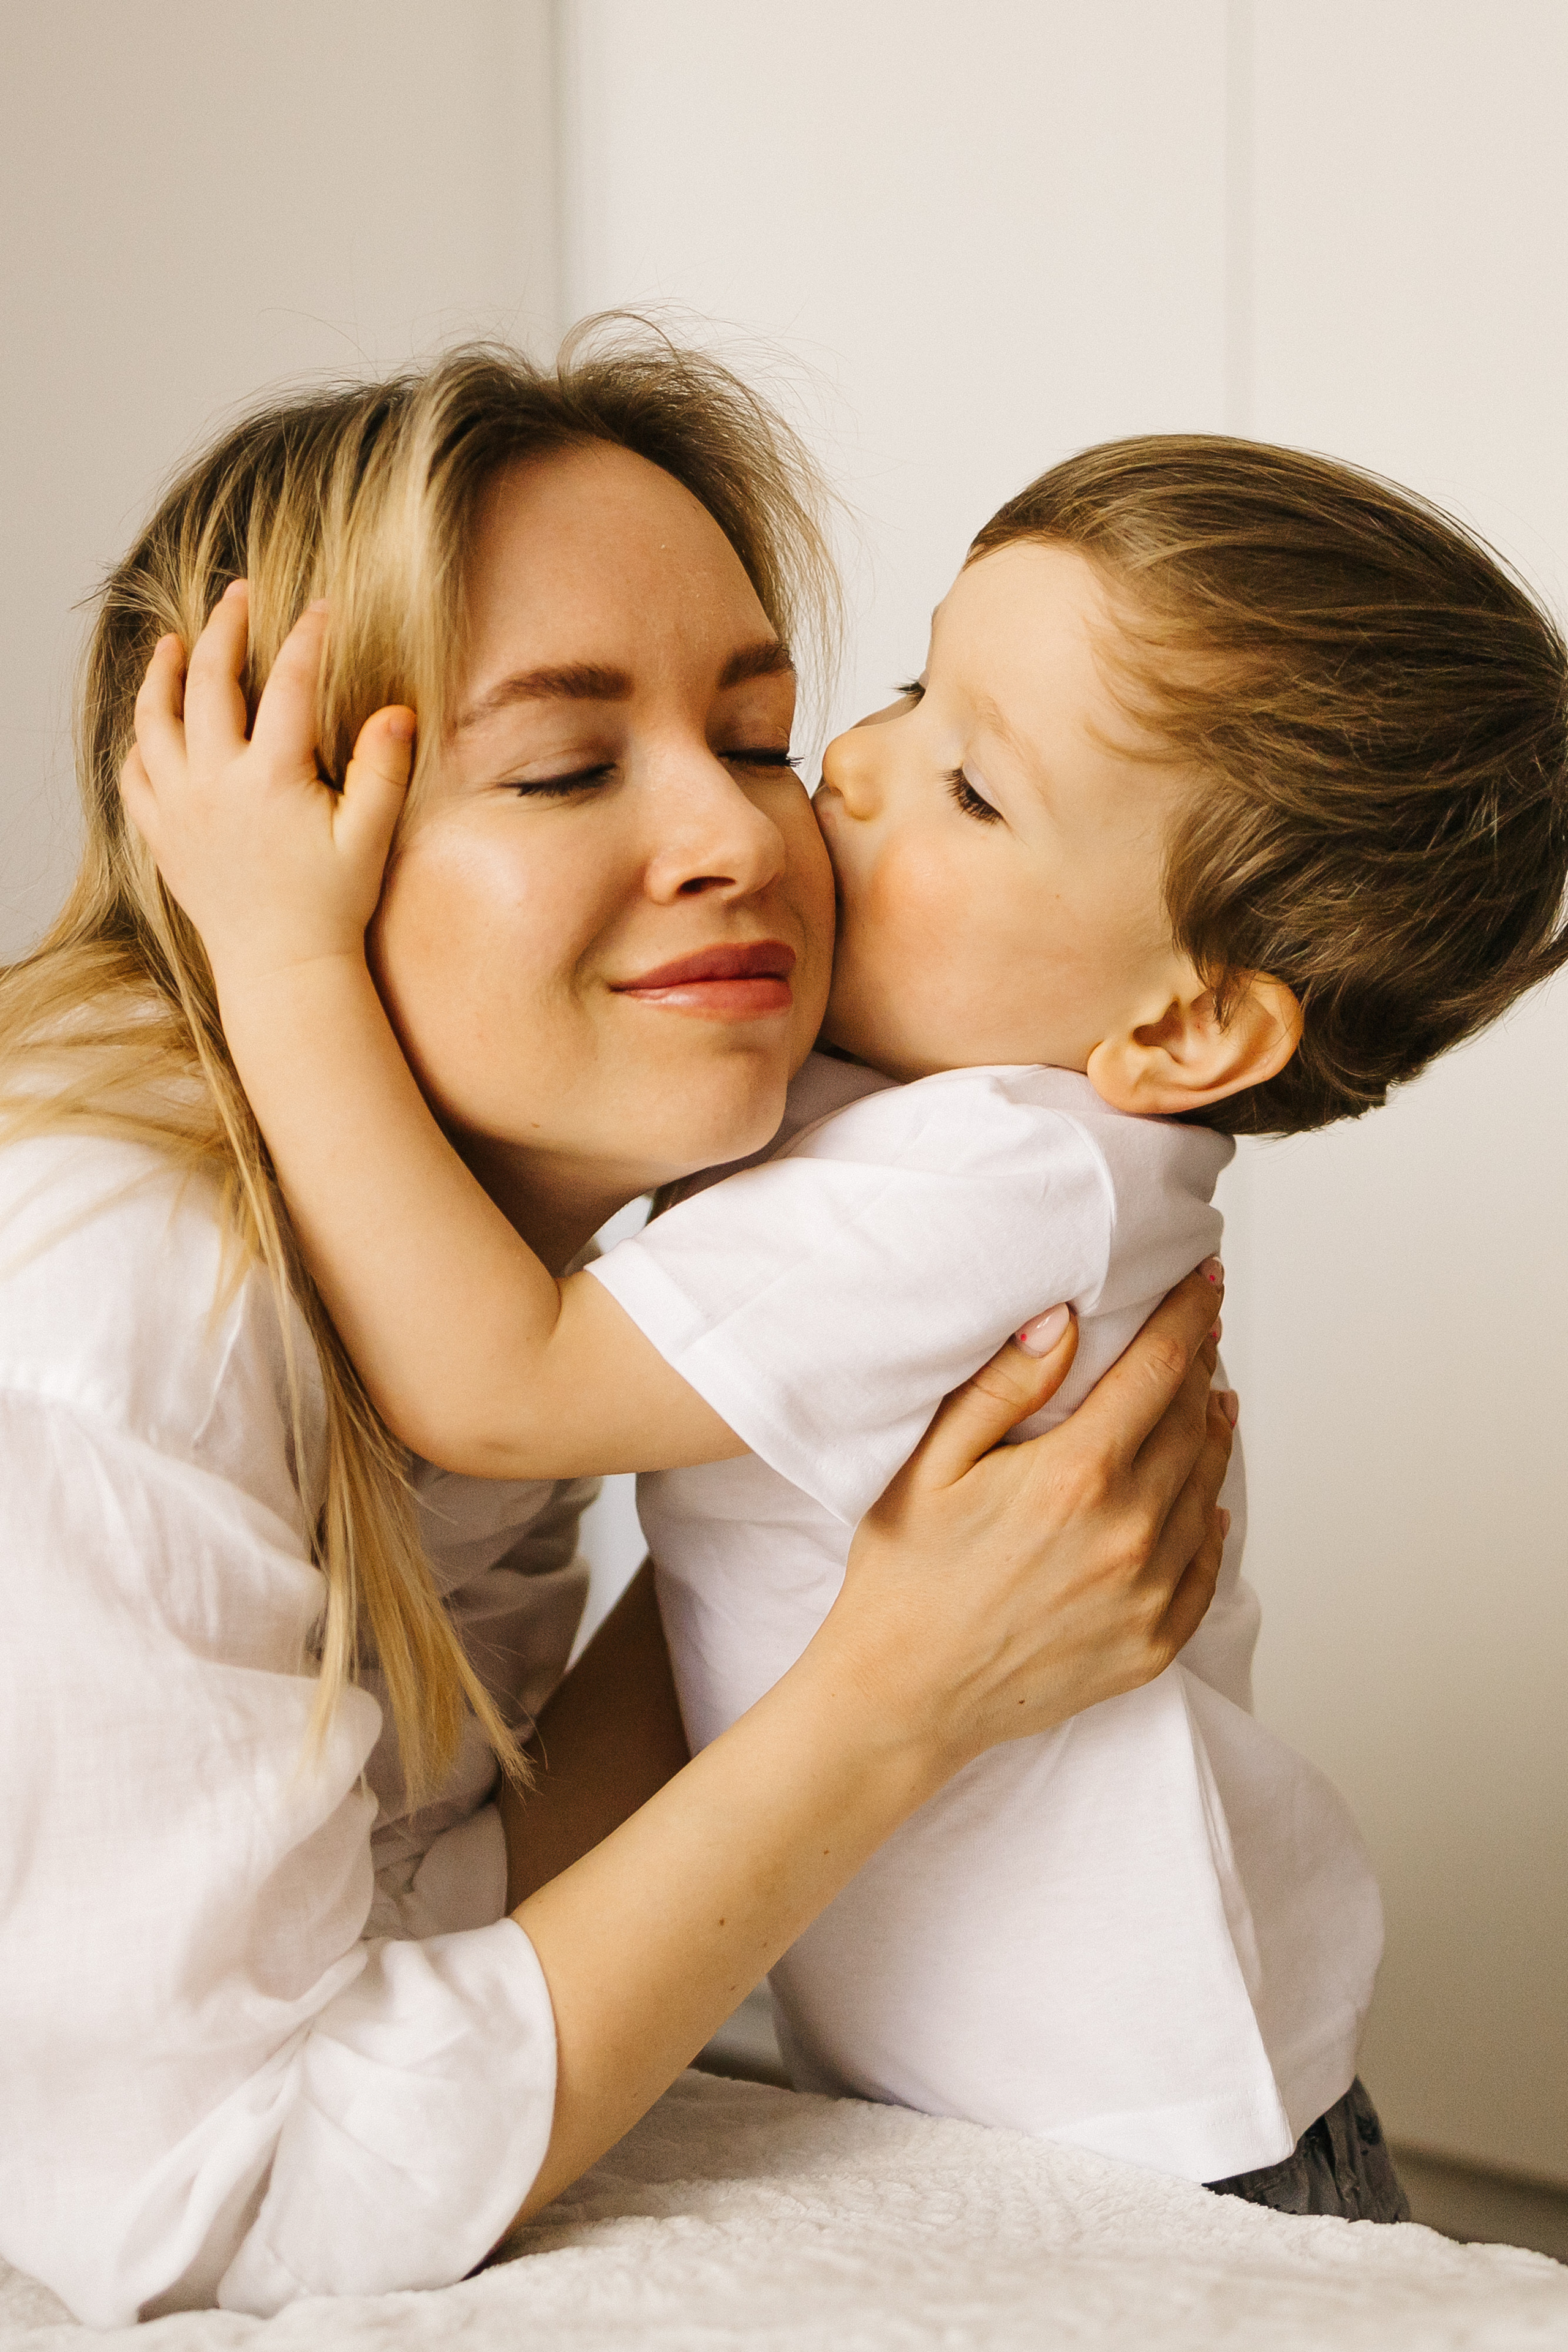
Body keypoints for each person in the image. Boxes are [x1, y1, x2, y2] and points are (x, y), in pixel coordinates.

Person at [130, 419, 1568, 2218]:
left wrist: (279, 951)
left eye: (973, 790)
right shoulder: (937, 1125)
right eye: (901, 691)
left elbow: (499, 1387)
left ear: (1187, 1031)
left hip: (1174, 2164)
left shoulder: (996, 1174)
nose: (847, 775)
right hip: (1046, 2117)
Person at [0, 331, 1236, 2330]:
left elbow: (441, 1902)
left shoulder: (553, 1255)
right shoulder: (113, 1306)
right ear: (260, 866)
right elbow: (210, 2212)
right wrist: (892, 1695)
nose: (748, 838)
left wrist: (865, 1524)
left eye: (760, 738)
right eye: (566, 767)